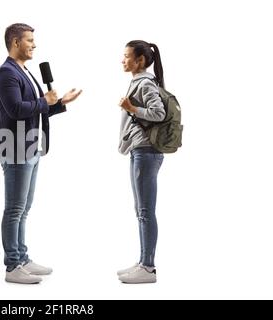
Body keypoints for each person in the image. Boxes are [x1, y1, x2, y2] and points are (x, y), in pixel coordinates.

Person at [0, 23, 82, 284]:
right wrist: (46, 101)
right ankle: (12, 266)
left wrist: (60, 103)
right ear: (15, 42)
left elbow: (36, 109)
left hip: (31, 145)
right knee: (14, 209)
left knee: (24, 208)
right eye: (29, 40)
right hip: (15, 145)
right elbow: (16, 110)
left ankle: (22, 257)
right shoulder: (6, 73)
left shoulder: (24, 71)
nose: (34, 45)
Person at [117, 40, 166, 284]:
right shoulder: (139, 81)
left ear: (140, 60)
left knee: (146, 211)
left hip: (146, 152)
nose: (122, 60)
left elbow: (159, 114)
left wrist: (132, 109)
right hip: (140, 151)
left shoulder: (145, 83)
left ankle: (148, 267)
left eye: (127, 56)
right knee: (141, 211)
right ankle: (143, 262)